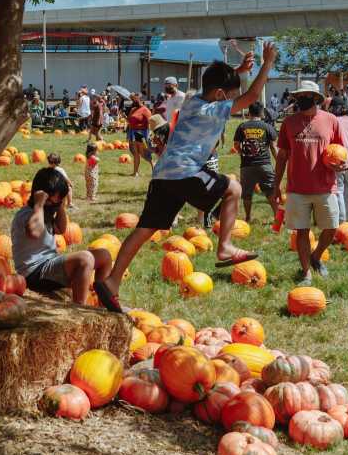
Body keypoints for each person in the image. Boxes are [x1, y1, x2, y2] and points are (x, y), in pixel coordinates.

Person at [92, 42, 277, 311]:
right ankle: (224, 246)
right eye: (229, 95)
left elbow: (218, 87)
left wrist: (237, 70)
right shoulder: (213, 108)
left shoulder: (193, 99)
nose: (231, 99)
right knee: (233, 189)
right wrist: (266, 64)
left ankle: (112, 283)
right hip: (185, 172)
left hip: (163, 174)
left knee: (145, 229)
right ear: (221, 93)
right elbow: (251, 96)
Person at [273, 80, 346, 286]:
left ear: (315, 98)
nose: (300, 100)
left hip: (325, 185)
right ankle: (306, 272)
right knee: (302, 231)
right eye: (298, 97)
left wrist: (344, 165)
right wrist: (276, 184)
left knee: (332, 227)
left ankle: (316, 256)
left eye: (305, 97)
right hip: (297, 187)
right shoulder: (289, 123)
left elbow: (340, 151)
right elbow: (282, 156)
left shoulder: (331, 120)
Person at [11, 168, 111, 305]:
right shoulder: (26, 214)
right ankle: (79, 310)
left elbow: (61, 229)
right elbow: (35, 232)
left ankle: (102, 305)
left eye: (58, 201)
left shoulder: (46, 213)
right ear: (41, 195)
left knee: (104, 256)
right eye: (52, 201)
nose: (54, 205)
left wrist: (60, 207)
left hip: (48, 264)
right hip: (33, 273)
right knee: (85, 259)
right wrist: (39, 204)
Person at [233, 101, 279, 222]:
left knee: (247, 194)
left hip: (247, 165)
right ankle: (277, 217)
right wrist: (279, 163)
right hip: (265, 164)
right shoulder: (267, 127)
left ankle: (248, 218)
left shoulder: (242, 127)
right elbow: (274, 147)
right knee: (271, 192)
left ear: (249, 113)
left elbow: (236, 145)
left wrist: (243, 154)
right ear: (262, 113)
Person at [127, 92, 153, 177]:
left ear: (141, 100)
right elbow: (129, 120)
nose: (134, 101)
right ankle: (135, 172)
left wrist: (149, 134)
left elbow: (151, 122)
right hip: (133, 133)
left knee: (144, 153)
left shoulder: (146, 110)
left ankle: (155, 169)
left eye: (136, 99)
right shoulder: (133, 109)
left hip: (142, 134)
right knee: (136, 153)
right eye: (133, 99)